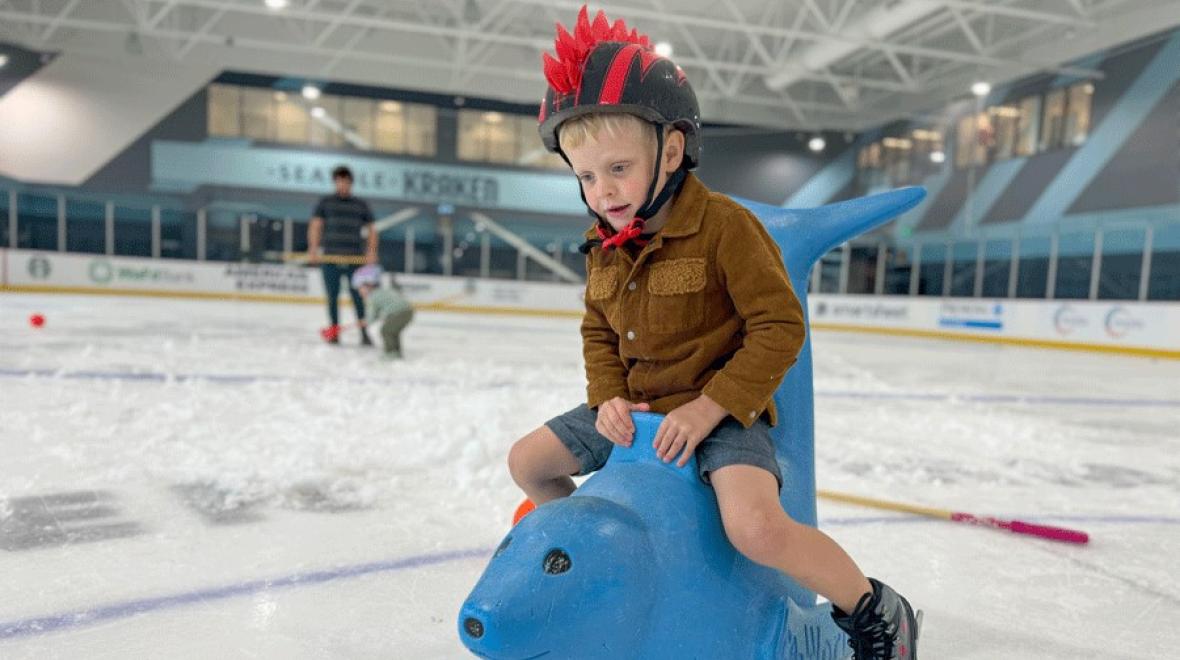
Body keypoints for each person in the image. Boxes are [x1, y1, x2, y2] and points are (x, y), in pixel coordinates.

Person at [506, 8, 918, 659]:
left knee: (756, 528)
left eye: (617, 168)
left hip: (722, 412)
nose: (602, 191)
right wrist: (608, 396)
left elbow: (780, 327)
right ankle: (599, 561)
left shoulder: (726, 227)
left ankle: (874, 611)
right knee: (527, 463)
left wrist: (710, 407)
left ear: (670, 150)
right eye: (586, 176)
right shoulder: (604, 245)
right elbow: (598, 332)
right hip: (635, 409)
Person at [308, 165, 378, 346]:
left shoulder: (360, 205)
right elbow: (316, 225)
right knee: (332, 297)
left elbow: (372, 230)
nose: (343, 185)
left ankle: (364, 332)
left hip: (355, 259)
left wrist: (371, 252)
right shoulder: (325, 203)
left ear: (351, 183)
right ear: (335, 182)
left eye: (346, 181)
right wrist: (313, 249)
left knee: (358, 297)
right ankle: (334, 332)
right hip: (330, 258)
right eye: (339, 181)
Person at [350, 265, 414, 359]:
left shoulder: (372, 297)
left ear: (369, 286)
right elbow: (377, 314)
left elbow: (371, 317)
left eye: (360, 288)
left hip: (399, 313)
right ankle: (396, 352)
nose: (359, 292)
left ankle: (391, 353)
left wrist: (365, 322)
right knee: (392, 331)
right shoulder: (382, 291)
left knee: (385, 331)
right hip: (407, 311)